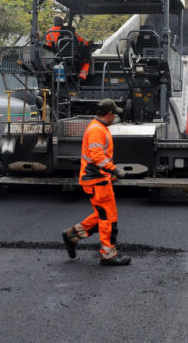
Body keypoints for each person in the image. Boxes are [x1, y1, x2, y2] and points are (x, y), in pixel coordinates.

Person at [62, 98, 131, 266]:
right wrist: (113, 169)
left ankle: (72, 235)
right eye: (114, 113)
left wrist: (110, 175)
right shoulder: (96, 130)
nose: (115, 116)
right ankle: (108, 255)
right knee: (107, 218)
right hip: (96, 181)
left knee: (104, 215)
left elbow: (100, 156)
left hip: (99, 179)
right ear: (108, 114)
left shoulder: (100, 127)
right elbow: (96, 156)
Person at [45, 16, 91, 81]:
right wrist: (88, 43)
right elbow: (80, 40)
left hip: (58, 56)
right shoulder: (69, 31)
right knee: (86, 60)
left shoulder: (48, 32)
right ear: (62, 23)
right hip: (72, 55)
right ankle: (82, 77)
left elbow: (50, 45)